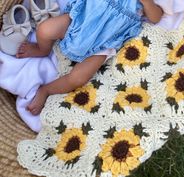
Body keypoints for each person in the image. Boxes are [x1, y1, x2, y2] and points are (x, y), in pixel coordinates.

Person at [16, 0, 164, 115]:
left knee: (78, 79)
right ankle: (42, 49)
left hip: (103, 44)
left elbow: (156, 17)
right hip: (79, 21)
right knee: (45, 30)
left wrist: (147, 2)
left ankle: (46, 90)